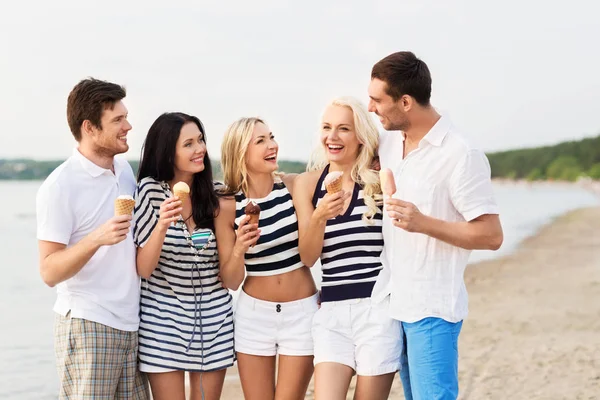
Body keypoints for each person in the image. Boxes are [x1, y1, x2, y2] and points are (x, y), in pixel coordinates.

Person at [367, 51, 504, 400]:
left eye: (377, 100)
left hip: (433, 311)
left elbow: (491, 235)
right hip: (394, 303)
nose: (371, 108)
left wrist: (423, 222)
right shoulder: (389, 143)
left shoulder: (461, 154)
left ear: (406, 102)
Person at [36, 78, 149, 399]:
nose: (128, 125)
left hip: (132, 324)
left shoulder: (125, 171)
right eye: (117, 120)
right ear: (89, 127)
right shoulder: (60, 186)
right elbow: (49, 271)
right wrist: (96, 239)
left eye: (125, 116)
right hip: (88, 324)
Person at [293, 96, 402, 400]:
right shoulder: (308, 184)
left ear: (360, 137)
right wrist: (320, 215)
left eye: (343, 129)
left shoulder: (379, 180)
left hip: (377, 310)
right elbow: (308, 256)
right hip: (331, 313)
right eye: (327, 127)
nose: (332, 137)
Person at [133, 112, 235, 400]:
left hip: (214, 319)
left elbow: (229, 274)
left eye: (200, 140)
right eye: (188, 143)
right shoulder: (150, 192)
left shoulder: (216, 196)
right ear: (168, 151)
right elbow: (143, 268)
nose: (199, 148)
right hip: (162, 319)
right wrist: (162, 224)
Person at [214, 117, 318, 400]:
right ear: (240, 152)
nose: (272, 145)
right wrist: (239, 248)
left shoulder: (293, 186)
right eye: (260, 141)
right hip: (254, 316)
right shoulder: (226, 205)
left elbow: (335, 172)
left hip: (303, 313)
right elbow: (231, 281)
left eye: (271, 137)